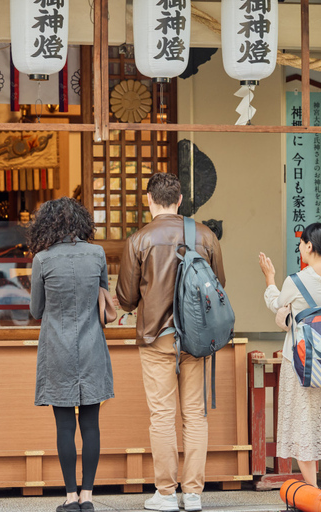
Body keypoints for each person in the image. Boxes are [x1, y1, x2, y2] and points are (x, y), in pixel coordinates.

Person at [117, 172, 225, 512]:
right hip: (196, 338)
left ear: (149, 200)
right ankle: (192, 494)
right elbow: (219, 286)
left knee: (162, 416)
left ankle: (165, 493)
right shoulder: (205, 235)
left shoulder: (139, 239)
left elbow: (125, 298)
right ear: (179, 200)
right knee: (195, 416)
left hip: (156, 338)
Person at [26, 197, 114, 512]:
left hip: (57, 349)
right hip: (92, 346)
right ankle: (88, 496)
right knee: (91, 424)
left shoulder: (42, 260)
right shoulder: (98, 254)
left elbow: (36, 310)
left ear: (47, 225)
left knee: (64, 426)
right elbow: (102, 298)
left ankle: (70, 497)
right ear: (82, 223)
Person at [258, 223, 321, 496]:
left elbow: (278, 305)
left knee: (304, 425)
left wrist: (269, 279)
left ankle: (313, 489)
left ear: (310, 246)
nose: (300, 248)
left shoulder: (296, 281)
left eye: (301, 244)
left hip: (302, 363)